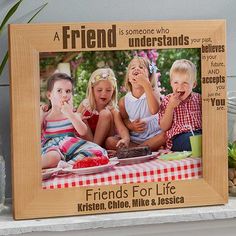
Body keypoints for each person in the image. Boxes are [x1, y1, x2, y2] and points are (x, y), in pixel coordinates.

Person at [40, 73, 107, 169]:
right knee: (54, 157)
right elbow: (35, 135)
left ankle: (67, 165)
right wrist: (40, 116)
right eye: (59, 91)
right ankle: (32, 167)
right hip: (52, 150)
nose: (64, 95)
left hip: (71, 148)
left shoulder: (73, 114)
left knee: (97, 151)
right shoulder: (45, 116)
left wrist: (70, 114)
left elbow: (83, 131)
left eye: (68, 91)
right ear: (49, 95)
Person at [112, 56, 166, 151]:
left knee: (166, 135)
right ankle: (141, 150)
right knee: (109, 141)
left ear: (149, 76)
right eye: (133, 68)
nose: (137, 69)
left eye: (141, 67)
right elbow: (125, 119)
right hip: (136, 138)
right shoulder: (123, 101)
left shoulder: (153, 93)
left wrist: (146, 84)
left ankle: (136, 150)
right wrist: (131, 126)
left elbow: (154, 110)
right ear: (128, 78)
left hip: (155, 135)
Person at [77, 68, 130, 149]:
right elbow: (75, 126)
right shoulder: (85, 105)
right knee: (80, 118)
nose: (104, 93)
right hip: (87, 144)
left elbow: (122, 128)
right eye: (99, 90)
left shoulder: (112, 110)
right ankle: (93, 149)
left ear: (113, 91)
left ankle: (95, 149)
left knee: (105, 113)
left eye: (108, 90)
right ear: (92, 89)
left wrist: (126, 138)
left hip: (104, 145)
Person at [159, 59, 202, 151]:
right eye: (176, 82)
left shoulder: (199, 99)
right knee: (192, 143)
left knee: (207, 139)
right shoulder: (167, 100)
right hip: (178, 137)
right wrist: (170, 106)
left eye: (185, 83)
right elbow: (164, 127)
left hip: (199, 133)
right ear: (171, 83)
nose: (180, 87)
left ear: (193, 84)